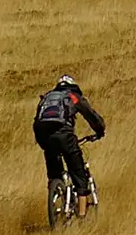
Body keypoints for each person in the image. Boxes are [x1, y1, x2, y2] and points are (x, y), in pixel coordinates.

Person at [32, 75, 106, 217]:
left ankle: (55, 195)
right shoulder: (73, 96)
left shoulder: (46, 98)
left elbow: (36, 122)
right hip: (65, 136)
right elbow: (89, 114)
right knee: (78, 173)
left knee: (54, 174)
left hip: (45, 138)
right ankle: (82, 215)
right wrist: (100, 130)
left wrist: (43, 143)